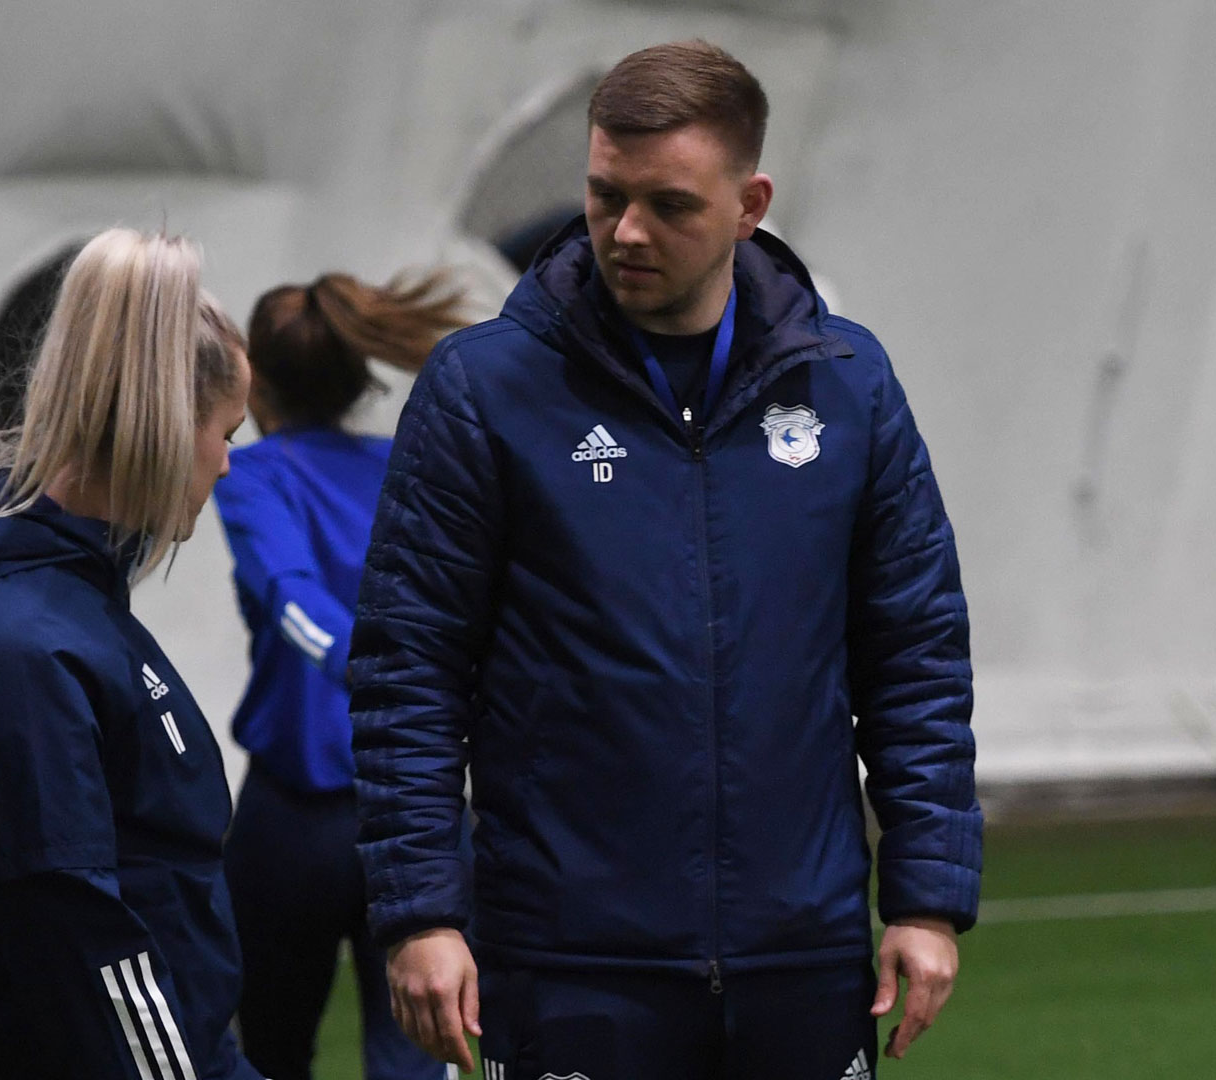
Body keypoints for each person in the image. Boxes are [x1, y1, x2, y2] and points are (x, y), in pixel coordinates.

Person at [350, 40, 982, 1079]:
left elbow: (915, 655)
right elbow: (406, 668)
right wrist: (420, 911)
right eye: (605, 196)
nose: (626, 231)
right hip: (569, 960)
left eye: (670, 204)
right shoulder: (484, 390)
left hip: (803, 958)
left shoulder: (850, 386)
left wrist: (925, 897)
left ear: (751, 202)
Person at [0, 227, 264, 1080]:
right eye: (226, 432)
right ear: (166, 425)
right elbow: (78, 937)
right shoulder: (26, 650)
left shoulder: (84, 619)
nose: (228, 466)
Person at [215, 272, 466, 1080]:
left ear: (253, 379)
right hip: (419, 807)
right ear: (359, 374)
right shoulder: (408, 468)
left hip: (293, 821)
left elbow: (291, 598)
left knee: (272, 1054)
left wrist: (361, 668)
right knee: (414, 1059)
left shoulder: (251, 478)